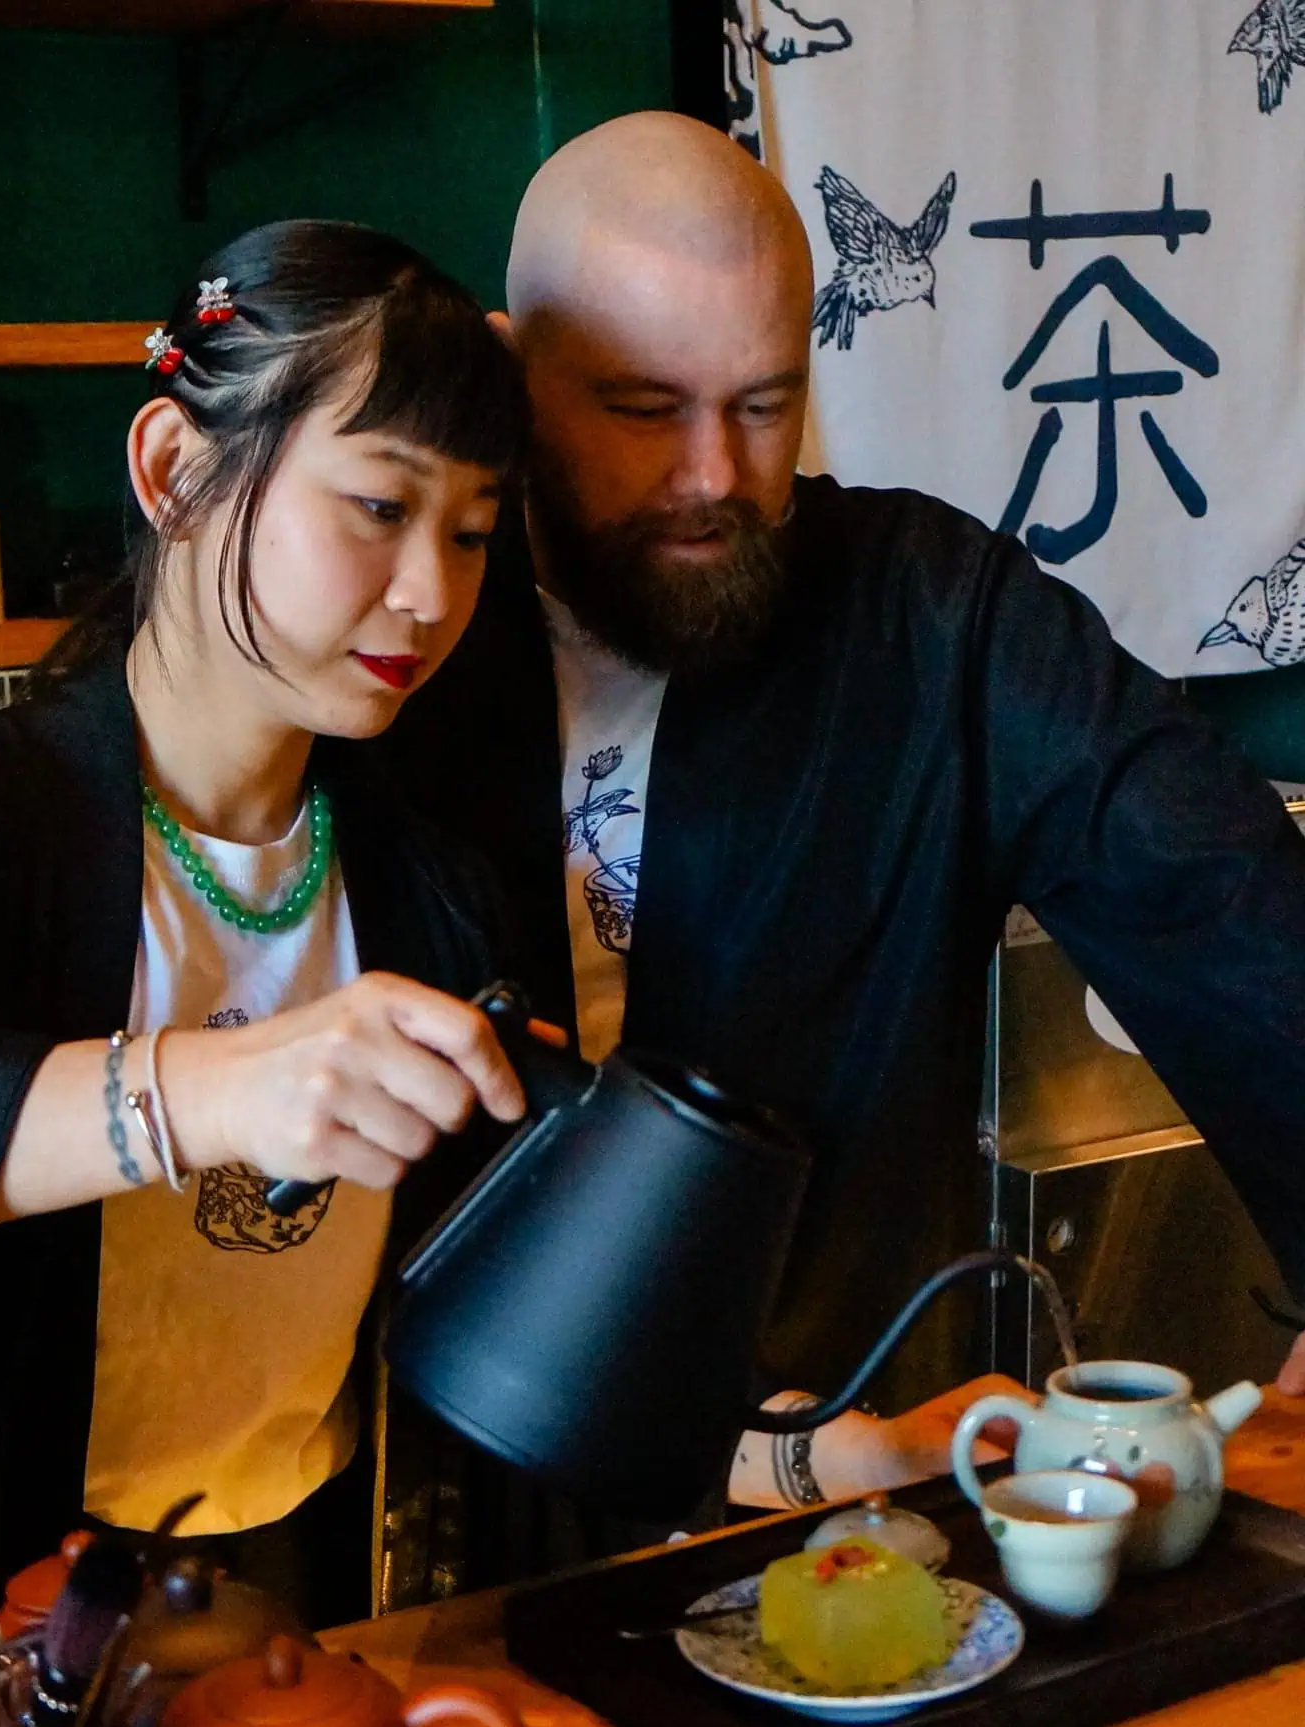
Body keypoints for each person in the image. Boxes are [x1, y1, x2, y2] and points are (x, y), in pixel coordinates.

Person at [377, 112, 1305, 1502]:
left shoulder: (927, 621)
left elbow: (1225, 896)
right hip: (417, 1496)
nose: (711, 476)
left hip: (841, 1484)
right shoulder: (398, 636)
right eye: (644, 409)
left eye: (763, 405)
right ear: (515, 375)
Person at [0, 220, 535, 1623]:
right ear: (174, 469)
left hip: (318, 1611)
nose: (432, 593)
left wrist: (808, 1452)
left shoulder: (435, 896)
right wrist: (199, 1090)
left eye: (471, 532)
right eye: (380, 509)